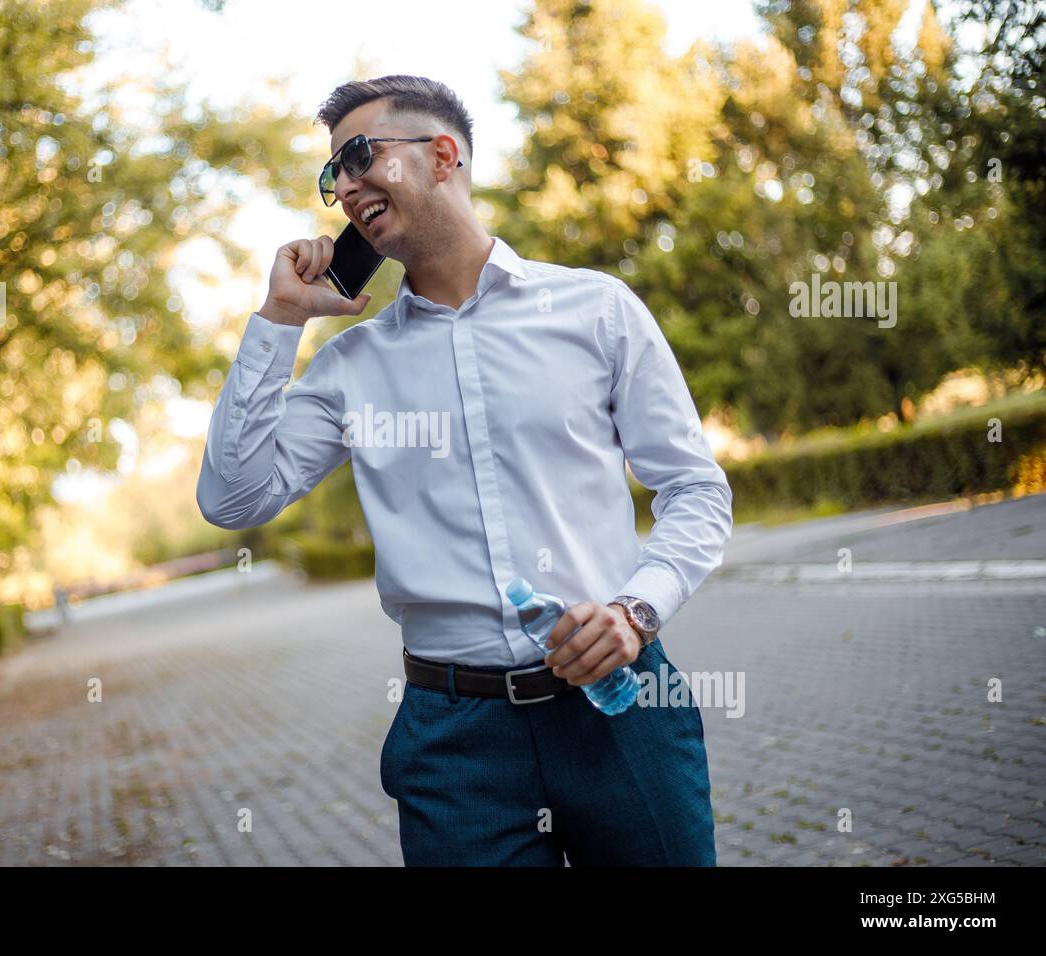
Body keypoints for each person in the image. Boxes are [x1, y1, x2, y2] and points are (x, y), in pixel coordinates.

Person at [196, 75, 733, 866]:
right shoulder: (351, 367)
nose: (343, 188)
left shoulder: (598, 310)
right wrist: (280, 320)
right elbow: (232, 498)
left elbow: (694, 489)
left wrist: (636, 611)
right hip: (455, 744)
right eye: (332, 175)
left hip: (620, 709)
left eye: (358, 157)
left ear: (443, 154)